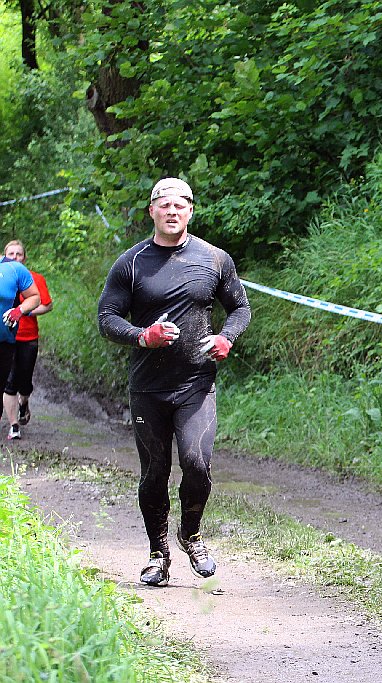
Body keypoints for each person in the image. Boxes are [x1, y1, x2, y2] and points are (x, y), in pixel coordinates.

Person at [97, 177, 251, 587]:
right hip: (148, 388)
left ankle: (192, 534)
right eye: (163, 204)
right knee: (154, 473)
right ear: (151, 211)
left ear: (190, 211)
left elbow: (240, 308)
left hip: (195, 384)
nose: (172, 211)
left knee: (197, 464)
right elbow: (107, 319)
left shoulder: (214, 259)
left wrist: (226, 337)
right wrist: (141, 335)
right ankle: (157, 555)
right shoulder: (130, 263)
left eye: (180, 204)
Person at [3, 240, 53, 440]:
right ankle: (14, 425)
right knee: (9, 381)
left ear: (25, 257)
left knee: (24, 380)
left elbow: (47, 305)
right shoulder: (2, 277)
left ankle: (25, 402)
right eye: (11, 254)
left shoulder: (34, 278)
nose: (15, 257)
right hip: (6, 337)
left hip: (27, 337)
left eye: (19, 254)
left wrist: (24, 311)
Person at [0, 247, 41, 440]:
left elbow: (36, 298)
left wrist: (19, 310)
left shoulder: (14, 270)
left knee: (15, 382)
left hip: (7, 342)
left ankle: (20, 408)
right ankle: (13, 424)